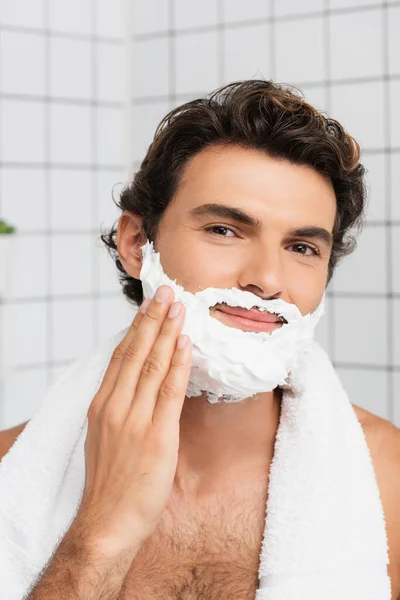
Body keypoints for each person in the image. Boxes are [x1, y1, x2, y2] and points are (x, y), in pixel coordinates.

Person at [1, 80, 399, 599]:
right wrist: (100, 533)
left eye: (302, 246)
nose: (268, 279)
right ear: (136, 243)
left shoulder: (389, 479)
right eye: (224, 230)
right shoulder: (11, 468)